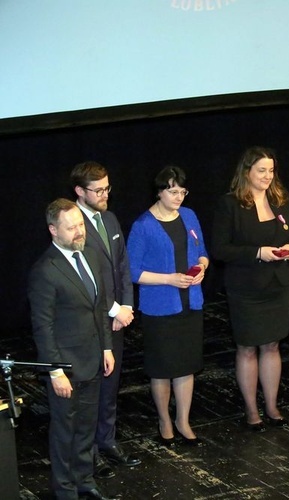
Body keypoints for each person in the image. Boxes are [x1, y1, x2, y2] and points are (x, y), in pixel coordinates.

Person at [28, 198, 117, 500]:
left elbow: (99, 308)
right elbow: (43, 327)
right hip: (65, 367)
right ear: (53, 230)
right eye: (72, 227)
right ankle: (64, 489)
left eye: (80, 224)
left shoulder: (90, 255)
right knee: (65, 431)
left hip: (93, 360)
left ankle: (84, 480)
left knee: (86, 427)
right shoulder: (45, 270)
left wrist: (106, 348)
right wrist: (54, 371)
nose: (80, 231)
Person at [211, 147, 289, 431]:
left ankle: (272, 406)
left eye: (271, 170)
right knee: (248, 348)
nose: (267, 176)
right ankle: (251, 410)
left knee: (272, 345)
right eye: (261, 170)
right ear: (246, 171)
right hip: (246, 289)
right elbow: (220, 249)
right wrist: (257, 252)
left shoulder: (281, 199)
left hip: (278, 284)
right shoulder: (230, 204)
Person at [126, 166, 209, 446]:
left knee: (186, 365)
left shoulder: (189, 216)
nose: (179, 197)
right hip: (160, 308)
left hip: (190, 303)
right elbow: (132, 272)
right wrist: (169, 279)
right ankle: (164, 421)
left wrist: (202, 267)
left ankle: (183, 421)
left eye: (182, 192)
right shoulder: (143, 225)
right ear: (159, 191)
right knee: (162, 368)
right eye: (173, 192)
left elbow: (202, 252)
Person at [71, 161, 141, 480]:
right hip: (90, 322)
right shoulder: (72, 226)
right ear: (79, 192)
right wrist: (114, 310)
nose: (104, 195)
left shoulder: (109, 218)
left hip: (116, 319)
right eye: (98, 190)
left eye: (107, 188)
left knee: (110, 387)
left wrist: (126, 307)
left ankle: (107, 441)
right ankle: (89, 454)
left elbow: (123, 267)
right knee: (90, 391)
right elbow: (84, 280)